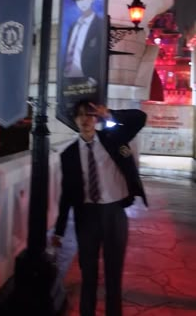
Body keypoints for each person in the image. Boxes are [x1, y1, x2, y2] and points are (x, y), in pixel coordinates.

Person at [51, 99, 148, 316]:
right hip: (87, 216)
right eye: (81, 115)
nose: (85, 119)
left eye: (90, 115)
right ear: (75, 121)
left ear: (96, 119)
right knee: (89, 274)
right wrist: (58, 230)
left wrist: (110, 114)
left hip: (115, 213)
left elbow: (140, 118)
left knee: (114, 275)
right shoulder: (68, 155)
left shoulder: (114, 139)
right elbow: (67, 193)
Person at [63, 0, 104, 83]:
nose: (83, 3)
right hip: (68, 79)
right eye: (79, 0)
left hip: (89, 80)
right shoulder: (73, 26)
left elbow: (101, 54)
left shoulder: (100, 25)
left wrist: (95, 78)